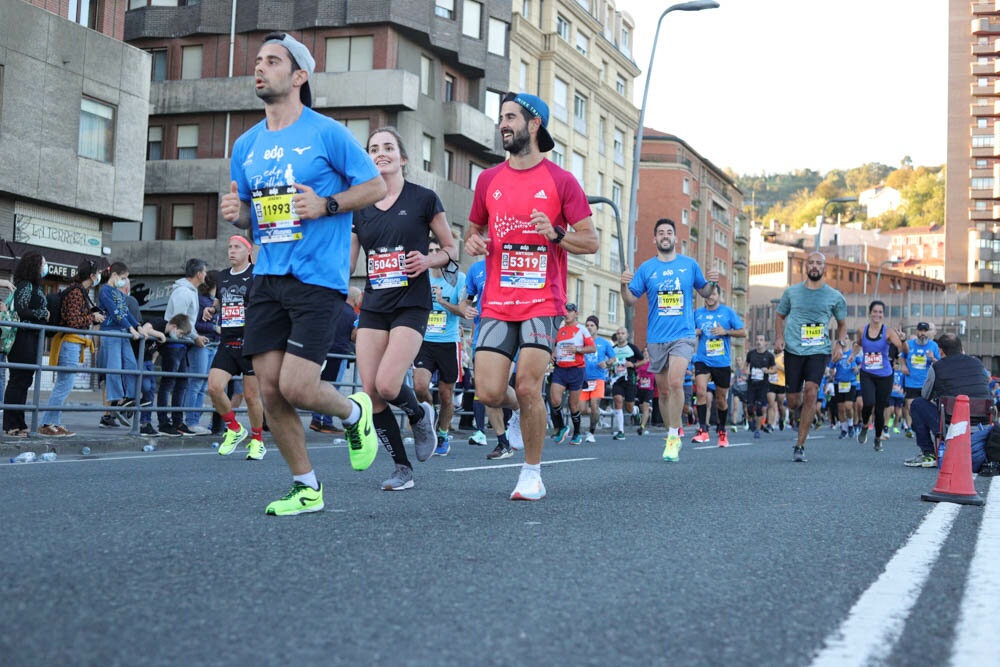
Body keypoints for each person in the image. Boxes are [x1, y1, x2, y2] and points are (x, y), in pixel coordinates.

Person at [221, 32, 385, 515]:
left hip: (318, 278)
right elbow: (254, 214)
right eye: (258, 60)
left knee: (296, 386)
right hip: (267, 277)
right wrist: (239, 215)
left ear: (298, 76)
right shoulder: (245, 145)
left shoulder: (326, 132)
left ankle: (356, 412)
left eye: (273, 61)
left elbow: (374, 186)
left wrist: (327, 203)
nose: (260, 67)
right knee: (269, 392)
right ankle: (306, 486)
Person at [464, 91, 599, 500]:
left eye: (510, 117)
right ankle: (530, 414)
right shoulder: (488, 180)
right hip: (497, 301)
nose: (503, 124)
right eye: (501, 117)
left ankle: (531, 473)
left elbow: (590, 242)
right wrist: (473, 243)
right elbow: (474, 232)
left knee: (526, 385)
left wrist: (556, 233)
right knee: (487, 391)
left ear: (534, 124)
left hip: (543, 300)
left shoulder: (561, 181)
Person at [350, 126, 455, 490]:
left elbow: (452, 251)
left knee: (388, 382)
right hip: (375, 304)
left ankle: (418, 413)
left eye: (388, 147)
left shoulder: (424, 198)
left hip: (412, 303)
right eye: (374, 148)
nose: (381, 153)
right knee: (371, 389)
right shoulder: (359, 206)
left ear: (402, 157)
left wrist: (429, 260)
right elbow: (347, 264)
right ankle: (401, 468)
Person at [621, 218, 719, 463]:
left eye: (669, 232)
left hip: (683, 335)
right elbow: (630, 300)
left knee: (676, 382)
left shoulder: (689, 265)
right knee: (663, 392)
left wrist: (713, 280)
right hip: (656, 338)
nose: (665, 236)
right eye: (661, 233)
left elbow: (705, 292)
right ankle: (671, 431)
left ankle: (674, 437)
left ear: (676, 238)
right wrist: (622, 285)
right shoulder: (646, 269)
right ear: (655, 239)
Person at [774, 252, 847, 462]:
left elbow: (842, 325)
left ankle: (800, 444)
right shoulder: (791, 292)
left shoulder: (834, 296)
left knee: (812, 391)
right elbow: (780, 316)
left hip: (819, 350)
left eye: (819, 263)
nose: (814, 266)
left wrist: (839, 344)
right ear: (806, 267)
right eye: (811, 263)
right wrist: (779, 337)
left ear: (825, 268)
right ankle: (799, 414)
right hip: (794, 350)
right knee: (793, 401)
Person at [206, 235, 267, 460]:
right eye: (229, 247)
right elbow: (220, 301)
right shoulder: (222, 276)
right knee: (214, 387)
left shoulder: (257, 274)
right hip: (228, 342)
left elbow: (266, 302)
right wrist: (211, 310)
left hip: (251, 343)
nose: (232, 251)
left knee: (251, 397)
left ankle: (258, 441)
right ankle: (234, 428)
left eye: (237, 247)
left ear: (248, 251)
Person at [413, 236, 466, 458]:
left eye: (438, 250)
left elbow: (463, 311)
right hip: (424, 340)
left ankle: (443, 434)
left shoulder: (458, 278)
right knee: (419, 387)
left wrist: (442, 302)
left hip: (448, 341)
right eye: (430, 250)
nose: (433, 255)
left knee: (446, 395)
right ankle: (429, 417)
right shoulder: (419, 277)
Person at [904, 333, 992, 467]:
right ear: (961, 347)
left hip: (952, 425)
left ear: (940, 350)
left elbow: (925, 395)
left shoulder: (937, 367)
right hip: (982, 424)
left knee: (918, 404)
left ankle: (929, 453)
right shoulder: (978, 363)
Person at [39, 259, 105, 437]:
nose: (99, 276)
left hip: (73, 342)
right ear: (92, 276)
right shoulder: (76, 292)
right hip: (70, 342)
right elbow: (73, 320)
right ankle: (46, 423)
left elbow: (75, 316)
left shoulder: (79, 291)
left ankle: (55, 423)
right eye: (97, 273)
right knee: (64, 385)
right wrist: (93, 318)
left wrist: (90, 314)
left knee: (63, 385)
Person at [691, 284, 746, 447]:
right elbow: (687, 329)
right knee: (700, 391)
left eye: (713, 294)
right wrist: (694, 332)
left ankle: (722, 430)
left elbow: (743, 332)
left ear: (719, 296)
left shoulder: (727, 312)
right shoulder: (698, 314)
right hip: (703, 359)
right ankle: (703, 430)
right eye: (708, 293)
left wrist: (726, 332)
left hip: (721, 361)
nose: (710, 296)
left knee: (721, 400)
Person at [3, 252, 49, 437]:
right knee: (17, 381)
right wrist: (43, 314)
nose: (45, 267)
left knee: (24, 382)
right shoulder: (25, 285)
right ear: (34, 265)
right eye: (43, 263)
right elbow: (22, 311)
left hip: (31, 338)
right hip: (22, 339)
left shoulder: (34, 286)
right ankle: (10, 425)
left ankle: (19, 423)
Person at [97, 261, 144, 427]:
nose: (125, 281)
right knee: (114, 368)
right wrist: (132, 328)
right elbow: (115, 313)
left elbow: (125, 312)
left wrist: (137, 326)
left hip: (122, 332)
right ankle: (116, 400)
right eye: (123, 278)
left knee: (131, 365)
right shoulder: (105, 291)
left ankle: (129, 398)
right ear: (115, 275)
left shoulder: (118, 292)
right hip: (111, 332)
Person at [855, 300, 907, 450]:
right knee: (868, 402)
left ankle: (877, 438)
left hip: (885, 375)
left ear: (883, 315)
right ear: (870, 312)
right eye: (875, 311)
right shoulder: (862, 330)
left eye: (880, 312)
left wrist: (903, 339)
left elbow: (901, 349)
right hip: (867, 373)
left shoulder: (888, 331)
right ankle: (865, 425)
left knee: (879, 409)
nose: (877, 314)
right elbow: (858, 343)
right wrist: (852, 355)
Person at [309, 286, 361, 434]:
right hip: (339, 352)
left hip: (324, 351)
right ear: (356, 299)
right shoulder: (352, 315)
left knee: (321, 385)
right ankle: (325, 422)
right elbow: (354, 336)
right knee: (333, 388)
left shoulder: (334, 309)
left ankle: (316, 418)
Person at [548, 303, 595, 446]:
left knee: (573, 405)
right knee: (554, 400)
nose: (566, 314)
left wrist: (577, 349)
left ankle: (577, 433)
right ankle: (562, 427)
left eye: (569, 311)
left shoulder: (582, 330)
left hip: (577, 370)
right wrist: (553, 354)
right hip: (561, 369)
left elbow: (592, 348)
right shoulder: (560, 329)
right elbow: (555, 346)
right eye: (564, 311)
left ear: (576, 313)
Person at [183, 269, 220, 434]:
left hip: (214, 344)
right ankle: (191, 422)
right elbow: (194, 325)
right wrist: (214, 327)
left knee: (203, 384)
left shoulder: (215, 301)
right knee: (196, 383)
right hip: (201, 344)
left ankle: (195, 421)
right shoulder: (201, 300)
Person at [901, 322, 939, 438]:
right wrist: (903, 366)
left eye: (925, 331)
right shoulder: (909, 344)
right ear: (916, 331)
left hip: (926, 382)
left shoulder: (933, 346)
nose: (922, 333)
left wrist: (932, 358)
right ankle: (910, 427)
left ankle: (923, 426)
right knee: (909, 406)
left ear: (928, 332)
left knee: (927, 406)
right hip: (911, 381)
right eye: (920, 331)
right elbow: (901, 356)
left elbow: (939, 363)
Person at [581, 315, 615, 442]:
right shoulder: (581, 341)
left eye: (592, 325)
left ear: (597, 328)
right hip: (583, 378)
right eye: (587, 325)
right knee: (582, 409)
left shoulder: (604, 343)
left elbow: (613, 358)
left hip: (598, 378)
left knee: (594, 405)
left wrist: (607, 363)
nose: (589, 328)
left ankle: (591, 432)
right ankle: (597, 415)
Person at [609, 326, 643, 441]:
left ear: (627, 335)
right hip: (617, 379)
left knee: (629, 407)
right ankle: (620, 431)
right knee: (618, 400)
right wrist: (609, 364)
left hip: (630, 379)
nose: (620, 335)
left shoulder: (632, 348)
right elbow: (609, 362)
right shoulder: (613, 349)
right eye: (618, 333)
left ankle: (635, 410)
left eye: (622, 333)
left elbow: (645, 360)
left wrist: (633, 365)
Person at [828, 337, 860, 439]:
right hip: (839, 383)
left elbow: (861, 363)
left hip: (851, 383)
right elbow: (831, 366)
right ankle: (844, 429)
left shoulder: (852, 353)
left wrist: (857, 369)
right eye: (842, 338)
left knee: (848, 406)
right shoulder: (837, 353)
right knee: (840, 408)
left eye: (846, 338)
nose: (844, 340)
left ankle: (851, 425)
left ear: (849, 341)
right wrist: (831, 372)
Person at [744, 334, 775, 439]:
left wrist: (768, 371)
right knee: (749, 407)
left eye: (761, 340)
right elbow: (745, 365)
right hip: (751, 384)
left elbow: (774, 369)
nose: (759, 342)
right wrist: (747, 370)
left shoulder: (769, 356)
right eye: (757, 340)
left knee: (759, 407)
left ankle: (757, 430)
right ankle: (751, 420)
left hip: (762, 385)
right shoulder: (751, 354)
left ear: (765, 342)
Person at [635, 348, 656, 435]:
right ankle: (641, 415)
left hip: (649, 388)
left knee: (645, 406)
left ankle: (642, 427)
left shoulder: (653, 362)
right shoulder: (640, 362)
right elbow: (636, 372)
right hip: (640, 387)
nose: (646, 352)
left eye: (648, 351)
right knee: (641, 407)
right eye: (644, 351)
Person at [766, 349, 786, 432]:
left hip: (781, 383)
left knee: (780, 406)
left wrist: (777, 366)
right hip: (771, 382)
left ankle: (782, 419)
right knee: (771, 404)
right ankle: (770, 425)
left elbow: (788, 370)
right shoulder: (770, 356)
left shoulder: (784, 357)